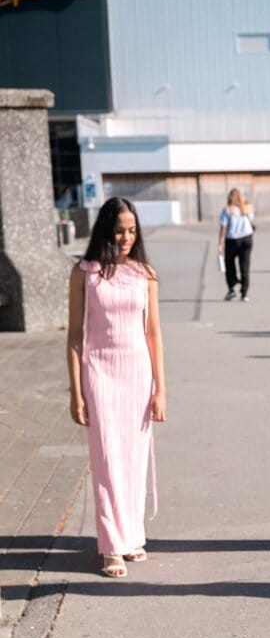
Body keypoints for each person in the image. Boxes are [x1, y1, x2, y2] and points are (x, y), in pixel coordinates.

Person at [66, 197, 166, 579]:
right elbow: (75, 336)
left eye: (132, 231)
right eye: (119, 230)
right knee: (107, 460)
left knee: (133, 459)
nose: (126, 237)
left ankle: (131, 536)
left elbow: (154, 333)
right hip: (100, 373)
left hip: (138, 374)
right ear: (105, 229)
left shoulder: (145, 273)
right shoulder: (85, 273)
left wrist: (160, 389)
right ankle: (111, 546)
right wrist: (75, 391)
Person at [217, 188, 254, 301]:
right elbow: (252, 220)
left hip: (232, 239)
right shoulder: (248, 208)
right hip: (247, 238)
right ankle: (244, 293)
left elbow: (223, 227)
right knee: (245, 266)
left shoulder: (227, 210)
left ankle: (231, 289)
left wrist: (220, 243)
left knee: (229, 265)